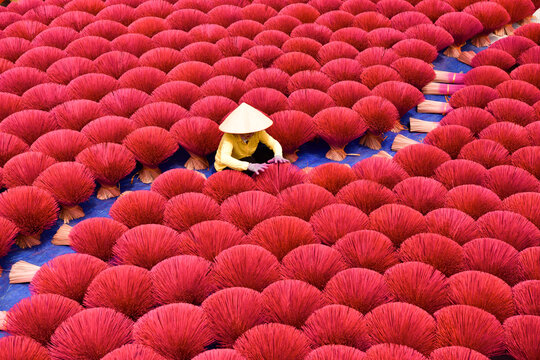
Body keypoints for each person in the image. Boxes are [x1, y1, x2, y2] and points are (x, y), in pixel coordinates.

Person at [214, 103, 289, 175]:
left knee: (268, 153)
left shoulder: (258, 132)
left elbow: (273, 143)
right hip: (227, 166)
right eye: (246, 131)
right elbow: (224, 158)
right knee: (250, 164)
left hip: (249, 157)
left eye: (252, 131)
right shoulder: (229, 137)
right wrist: (249, 166)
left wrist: (278, 155)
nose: (250, 134)